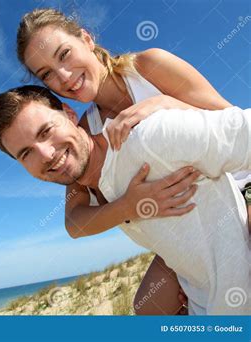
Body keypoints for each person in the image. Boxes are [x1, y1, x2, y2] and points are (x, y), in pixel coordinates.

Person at [15, 8, 251, 314]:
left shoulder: (148, 66)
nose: (63, 76)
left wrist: (164, 104)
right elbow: (74, 222)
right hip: (190, 225)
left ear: (86, 39)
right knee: (148, 307)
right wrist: (128, 206)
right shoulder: (85, 133)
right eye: (46, 74)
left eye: (64, 54)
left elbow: (229, 121)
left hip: (241, 186)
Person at [0, 85, 250, 315]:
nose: (46, 154)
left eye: (45, 131)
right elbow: (74, 226)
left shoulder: (148, 137)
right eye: (26, 153)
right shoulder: (103, 192)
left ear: (69, 113)